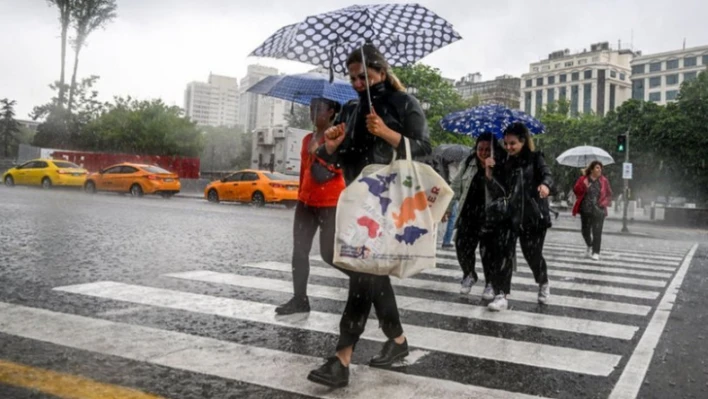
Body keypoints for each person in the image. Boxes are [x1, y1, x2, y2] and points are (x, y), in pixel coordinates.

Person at [306, 44, 432, 388]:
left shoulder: (403, 103)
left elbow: (424, 150)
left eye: (364, 76)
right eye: (353, 78)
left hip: (387, 202)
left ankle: (342, 359)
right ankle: (398, 341)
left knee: (364, 274)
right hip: (355, 200)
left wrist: (387, 133)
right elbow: (337, 161)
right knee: (366, 272)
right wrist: (332, 146)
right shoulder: (349, 109)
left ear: (380, 71)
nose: (359, 83)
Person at [275, 98, 345, 315]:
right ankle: (300, 299)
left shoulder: (339, 137)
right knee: (299, 251)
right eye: (311, 108)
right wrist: (300, 197)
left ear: (332, 111)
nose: (313, 112)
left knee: (328, 253)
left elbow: (341, 168)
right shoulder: (307, 139)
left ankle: (364, 280)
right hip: (306, 203)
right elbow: (305, 171)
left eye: (318, 108)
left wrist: (320, 152)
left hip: (330, 203)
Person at [487, 123, 554, 310]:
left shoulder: (535, 158)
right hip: (509, 216)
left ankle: (543, 281)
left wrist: (545, 185)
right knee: (504, 254)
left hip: (533, 217)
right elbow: (496, 188)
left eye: (513, 143)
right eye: (506, 143)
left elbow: (547, 175)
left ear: (523, 142)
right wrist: (490, 169)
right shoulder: (504, 162)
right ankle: (501, 295)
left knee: (532, 255)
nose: (509, 147)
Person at [444, 133, 505, 298]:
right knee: (462, 246)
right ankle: (469, 274)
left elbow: (502, 192)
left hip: (489, 217)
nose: (483, 152)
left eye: (487, 149)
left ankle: (490, 283)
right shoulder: (468, 162)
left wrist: (490, 172)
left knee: (488, 253)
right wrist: (447, 208)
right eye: (480, 148)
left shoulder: (501, 164)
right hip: (468, 213)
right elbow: (455, 186)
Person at [572, 161, 612, 261]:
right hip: (585, 210)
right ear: (592, 169)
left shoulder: (604, 181)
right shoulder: (583, 179)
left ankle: (596, 252)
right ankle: (590, 245)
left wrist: (603, 203)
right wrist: (584, 186)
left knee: (597, 232)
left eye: (600, 168)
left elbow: (609, 194)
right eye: (598, 168)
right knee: (585, 231)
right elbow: (576, 191)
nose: (600, 170)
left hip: (599, 210)